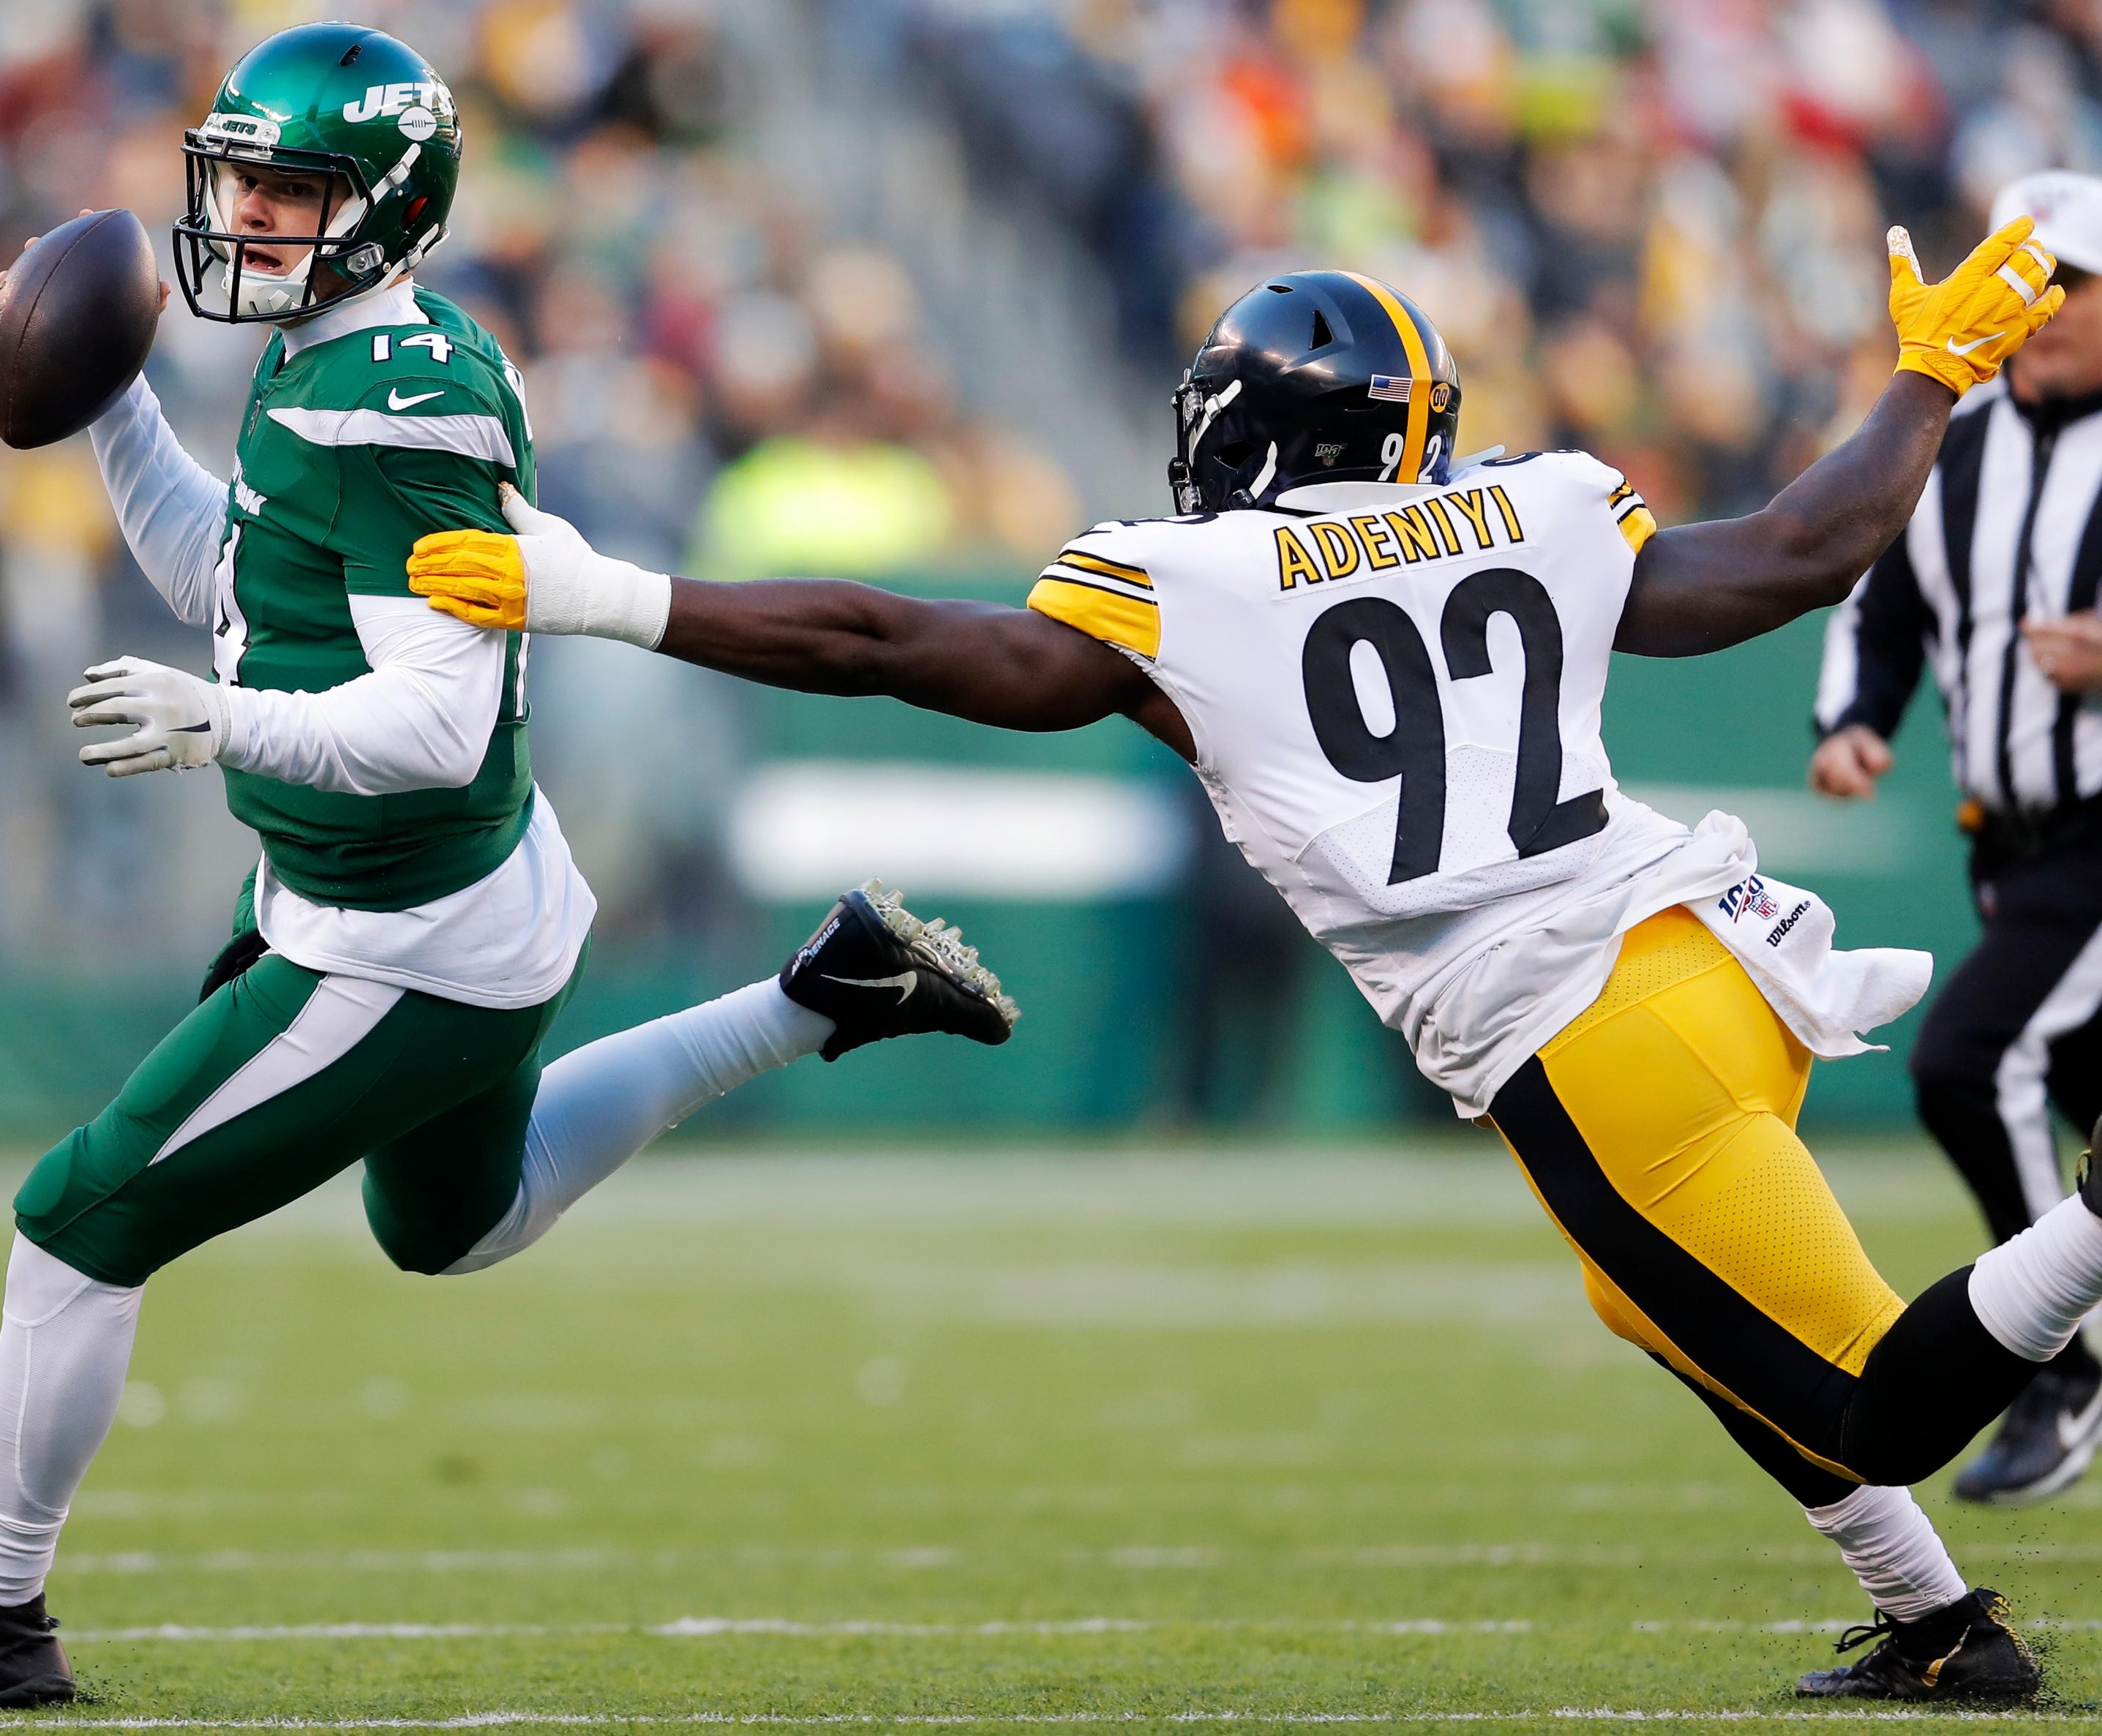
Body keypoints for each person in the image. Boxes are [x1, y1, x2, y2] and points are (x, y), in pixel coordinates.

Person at [409, 231, 2102, 1702]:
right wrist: (1927, 375)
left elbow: (887, 639)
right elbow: (1806, 551)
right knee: (1648, 1303)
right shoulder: (1542, 507)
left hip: (1585, 1033)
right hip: (1706, 965)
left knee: (1879, 1403)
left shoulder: (1191, 581)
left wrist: (618, 597)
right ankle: (1941, 1621)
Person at [0, 23, 1016, 1713]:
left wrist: (219, 725)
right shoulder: (339, 357)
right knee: (459, 1225)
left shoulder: (393, 401)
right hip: (441, 898)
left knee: (75, 1222)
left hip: (399, 935)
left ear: (387, 208)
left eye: (292, 190)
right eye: (244, 180)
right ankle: (817, 993)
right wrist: (114, 404)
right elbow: (232, 570)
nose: (252, 218)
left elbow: (422, 722)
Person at [1812, 170, 2102, 1506]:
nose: (2039, 309)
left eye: (2069, 284)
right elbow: (1884, 602)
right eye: (2020, 280)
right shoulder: (1958, 441)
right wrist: (1857, 718)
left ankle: (2066, 1359)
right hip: (2009, 844)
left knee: (1970, 1066)